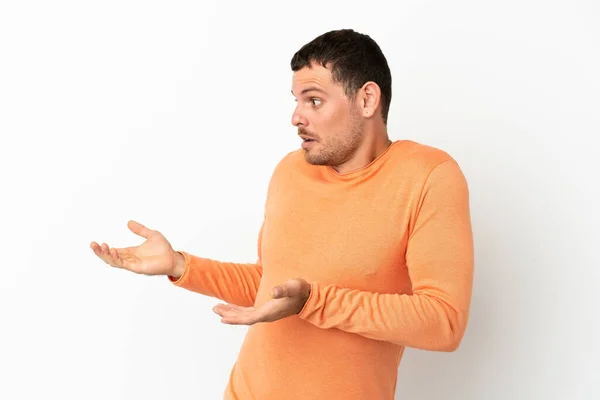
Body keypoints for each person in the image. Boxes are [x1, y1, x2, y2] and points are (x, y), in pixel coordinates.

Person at [90, 29, 474, 400]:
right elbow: (270, 284)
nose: (296, 117)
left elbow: (444, 322)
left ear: (367, 100)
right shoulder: (292, 171)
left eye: (314, 100)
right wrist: (180, 264)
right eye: (295, 100)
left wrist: (314, 301)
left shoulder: (428, 176)